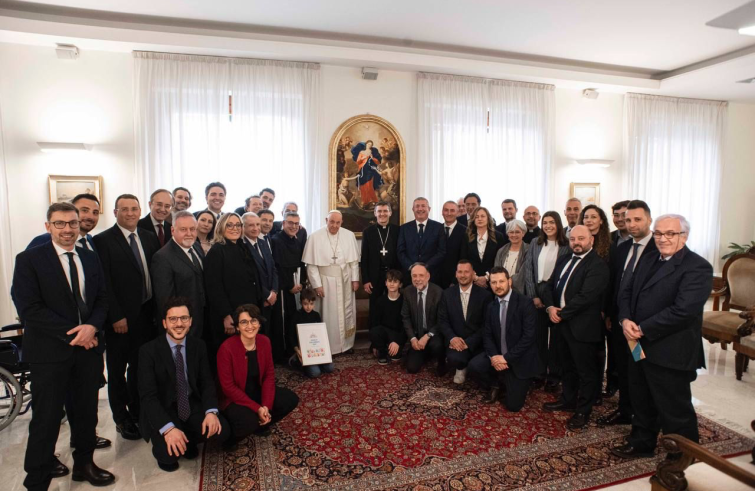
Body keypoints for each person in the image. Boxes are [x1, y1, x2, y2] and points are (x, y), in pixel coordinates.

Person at [13, 202, 115, 490]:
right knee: (46, 419)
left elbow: (102, 298)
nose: (67, 229)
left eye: (72, 223)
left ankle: (84, 464)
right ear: (48, 226)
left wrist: (92, 327)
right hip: (49, 353)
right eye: (60, 223)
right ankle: (37, 479)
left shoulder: (89, 258)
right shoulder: (29, 259)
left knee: (86, 413)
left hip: (88, 351)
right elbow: (29, 308)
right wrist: (77, 334)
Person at [612, 214, 711, 459]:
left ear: (684, 236)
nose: (663, 238)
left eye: (670, 233)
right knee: (641, 398)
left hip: (670, 350)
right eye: (658, 233)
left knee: (674, 407)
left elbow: (683, 311)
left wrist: (642, 328)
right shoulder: (648, 259)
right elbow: (626, 292)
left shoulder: (697, 267)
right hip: (638, 345)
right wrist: (625, 319)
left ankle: (682, 458)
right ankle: (641, 443)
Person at [94, 194, 160, 441]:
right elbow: (104, 282)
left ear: (140, 211)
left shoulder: (149, 237)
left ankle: (137, 411)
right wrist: (115, 316)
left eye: (134, 208)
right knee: (117, 370)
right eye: (125, 209)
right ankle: (121, 418)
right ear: (115, 212)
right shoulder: (103, 241)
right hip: (120, 319)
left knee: (139, 367)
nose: (130, 213)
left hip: (146, 314)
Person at [138, 297, 230, 472]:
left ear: (190, 321)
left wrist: (211, 412)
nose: (179, 323)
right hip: (163, 406)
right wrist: (168, 429)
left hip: (189, 402)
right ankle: (175, 436)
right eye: (173, 319)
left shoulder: (198, 346)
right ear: (164, 323)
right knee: (168, 457)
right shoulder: (148, 351)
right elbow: (148, 397)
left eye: (184, 318)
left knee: (222, 431)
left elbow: (206, 382)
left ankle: (188, 437)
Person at [541, 225, 610, 430]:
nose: (576, 243)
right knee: (567, 366)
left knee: (586, 372)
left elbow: (586, 297)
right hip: (561, 325)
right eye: (573, 239)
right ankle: (568, 400)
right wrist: (550, 307)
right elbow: (549, 285)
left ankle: (583, 410)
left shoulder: (598, 265)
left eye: (581, 238)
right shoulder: (564, 259)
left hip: (583, 327)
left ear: (591, 240)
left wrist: (561, 314)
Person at [598, 200, 657, 427]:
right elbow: (616, 285)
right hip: (620, 319)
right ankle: (625, 410)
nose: (631, 224)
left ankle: (644, 418)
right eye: (628, 219)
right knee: (622, 366)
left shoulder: (658, 249)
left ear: (649, 219)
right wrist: (612, 314)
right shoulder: (621, 249)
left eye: (637, 219)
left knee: (641, 372)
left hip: (645, 325)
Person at [217, 304, 299, 441]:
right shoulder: (226, 349)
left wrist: (266, 406)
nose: (250, 326)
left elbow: (269, 376)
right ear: (237, 327)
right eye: (244, 322)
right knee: (248, 422)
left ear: (259, 324)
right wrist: (257, 408)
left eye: (253, 320)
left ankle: (261, 423)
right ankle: (232, 440)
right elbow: (228, 388)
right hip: (235, 398)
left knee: (290, 399)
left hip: (257, 392)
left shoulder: (264, 341)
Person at [468, 267, 540, 412]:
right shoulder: (491, 306)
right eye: (494, 282)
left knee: (513, 406)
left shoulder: (525, 303)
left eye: (501, 281)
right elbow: (487, 335)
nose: (498, 286)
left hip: (518, 358)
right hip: (498, 354)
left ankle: (513, 383)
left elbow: (528, 337)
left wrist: (506, 358)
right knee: (474, 366)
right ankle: (495, 384)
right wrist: (494, 357)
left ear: (509, 281)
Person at [204, 213, 263, 358]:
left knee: (247, 353)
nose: (234, 228)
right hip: (229, 314)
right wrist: (226, 315)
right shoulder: (217, 251)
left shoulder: (242, 247)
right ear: (221, 227)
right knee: (231, 355)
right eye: (229, 225)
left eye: (238, 225)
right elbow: (214, 287)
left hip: (247, 309)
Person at [523, 211, 570, 392]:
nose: (548, 226)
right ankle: (539, 373)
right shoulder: (535, 243)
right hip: (537, 291)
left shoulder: (566, 245)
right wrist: (533, 295)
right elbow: (528, 270)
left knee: (556, 339)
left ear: (558, 224)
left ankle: (554, 376)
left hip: (557, 294)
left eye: (552, 222)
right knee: (538, 337)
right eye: (545, 222)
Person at [302, 211, 360, 354]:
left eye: (338, 223)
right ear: (326, 220)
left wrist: (355, 279)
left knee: (347, 313)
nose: (334, 225)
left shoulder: (349, 235)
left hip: (345, 280)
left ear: (342, 222)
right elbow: (311, 266)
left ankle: (346, 345)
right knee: (329, 316)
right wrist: (317, 285)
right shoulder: (315, 237)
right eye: (331, 222)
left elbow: (353, 262)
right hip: (325, 282)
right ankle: (329, 347)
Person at [152, 212, 206, 339]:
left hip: (202, 319)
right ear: (172, 230)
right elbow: (166, 300)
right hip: (182, 325)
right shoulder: (162, 257)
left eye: (192, 229)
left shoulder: (196, 246)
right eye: (183, 229)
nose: (189, 233)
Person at [438, 260, 493, 384]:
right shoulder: (446, 294)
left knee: (478, 368)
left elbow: (487, 324)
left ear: (473, 274)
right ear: (456, 274)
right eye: (460, 272)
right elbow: (442, 320)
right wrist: (452, 338)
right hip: (456, 342)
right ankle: (461, 367)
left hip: (477, 342)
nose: (463, 275)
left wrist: (469, 342)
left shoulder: (485, 296)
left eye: (466, 272)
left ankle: (471, 364)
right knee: (454, 359)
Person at [242, 212, 284, 362]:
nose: (255, 228)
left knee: (270, 332)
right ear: (243, 227)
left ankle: (269, 362)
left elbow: (273, 268)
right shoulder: (242, 247)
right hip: (256, 299)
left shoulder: (263, 242)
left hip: (271, 297)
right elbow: (249, 277)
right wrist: (266, 295)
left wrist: (274, 291)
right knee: (257, 335)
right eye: (251, 225)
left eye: (257, 225)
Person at [271, 212, 308, 353]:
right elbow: (278, 267)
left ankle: (293, 349)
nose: (293, 226)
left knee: (293, 318)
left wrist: (301, 283)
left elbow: (300, 264)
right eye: (290, 223)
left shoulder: (297, 240)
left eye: (296, 223)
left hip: (295, 286)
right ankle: (282, 352)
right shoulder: (276, 240)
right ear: (283, 223)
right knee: (283, 320)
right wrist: (289, 286)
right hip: (283, 288)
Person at [361, 201, 400, 328]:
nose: (382, 214)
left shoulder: (397, 230)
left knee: (393, 306)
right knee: (375, 307)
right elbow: (364, 257)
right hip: (374, 277)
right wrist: (366, 280)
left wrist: (400, 278)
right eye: (379, 211)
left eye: (385, 211)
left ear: (390, 212)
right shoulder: (368, 232)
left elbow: (400, 254)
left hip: (393, 276)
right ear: (375, 213)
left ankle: (393, 333)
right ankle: (374, 335)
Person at [401, 263, 445, 375]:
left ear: (428, 276)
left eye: (421, 275)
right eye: (414, 276)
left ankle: (441, 362)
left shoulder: (438, 292)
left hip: (433, 334)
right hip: (417, 334)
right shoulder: (407, 291)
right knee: (411, 368)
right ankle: (425, 353)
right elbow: (405, 317)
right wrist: (412, 338)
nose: (417, 279)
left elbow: (442, 320)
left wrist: (427, 336)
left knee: (436, 346)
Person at [26, 193, 101, 251]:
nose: (90, 217)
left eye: (95, 212)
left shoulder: (92, 241)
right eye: (84, 210)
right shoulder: (43, 240)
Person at [397, 197, 446, 285]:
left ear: (429, 209)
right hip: (409, 276)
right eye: (417, 206)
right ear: (413, 209)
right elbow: (400, 252)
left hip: (432, 275)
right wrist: (411, 267)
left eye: (423, 206)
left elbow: (441, 251)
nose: (420, 209)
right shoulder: (404, 228)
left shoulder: (439, 227)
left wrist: (426, 267)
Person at [288, 289, 336, 377]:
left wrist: (325, 350)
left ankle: (315, 364)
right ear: (301, 303)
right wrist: (297, 350)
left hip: (316, 349)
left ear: (314, 303)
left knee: (330, 368)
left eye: (311, 304)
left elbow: (321, 334)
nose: (308, 307)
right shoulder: (296, 315)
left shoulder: (316, 315)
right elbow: (291, 335)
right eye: (305, 304)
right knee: (315, 373)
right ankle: (296, 361)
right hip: (303, 350)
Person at [461, 206, 505, 289]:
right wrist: (475, 278)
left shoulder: (498, 236)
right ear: (473, 220)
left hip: (493, 280)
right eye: (476, 217)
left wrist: (486, 277)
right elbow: (464, 258)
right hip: (471, 280)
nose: (479, 219)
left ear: (488, 218)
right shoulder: (467, 236)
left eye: (482, 216)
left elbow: (500, 260)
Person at [368, 270, 406, 365]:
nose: (392, 284)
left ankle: (394, 348)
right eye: (389, 281)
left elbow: (406, 325)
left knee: (395, 357)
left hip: (398, 333)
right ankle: (382, 352)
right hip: (384, 332)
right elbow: (375, 323)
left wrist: (397, 341)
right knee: (374, 331)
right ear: (386, 283)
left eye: (395, 281)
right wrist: (375, 344)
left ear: (400, 285)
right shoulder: (380, 301)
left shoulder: (404, 301)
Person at [493, 219, 529, 294]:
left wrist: (505, 283)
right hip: (501, 290)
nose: (514, 235)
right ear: (507, 234)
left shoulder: (528, 250)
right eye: (511, 232)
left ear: (523, 233)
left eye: (517, 232)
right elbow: (496, 271)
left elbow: (523, 274)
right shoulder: (501, 251)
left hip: (520, 293)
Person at [440, 200, 467, 288]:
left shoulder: (465, 231)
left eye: (452, 210)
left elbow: (464, 257)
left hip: (456, 280)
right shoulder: (436, 229)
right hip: (436, 279)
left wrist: (455, 281)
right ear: (442, 212)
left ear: (457, 212)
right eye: (446, 210)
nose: (449, 213)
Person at [352, 140, 383, 206]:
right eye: (368, 144)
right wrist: (363, 158)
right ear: (366, 144)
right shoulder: (362, 152)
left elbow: (377, 162)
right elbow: (358, 162)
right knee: (363, 185)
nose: (369, 146)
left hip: (370, 170)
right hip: (363, 169)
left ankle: (373, 200)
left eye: (371, 145)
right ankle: (365, 201)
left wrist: (372, 158)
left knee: (369, 185)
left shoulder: (372, 152)